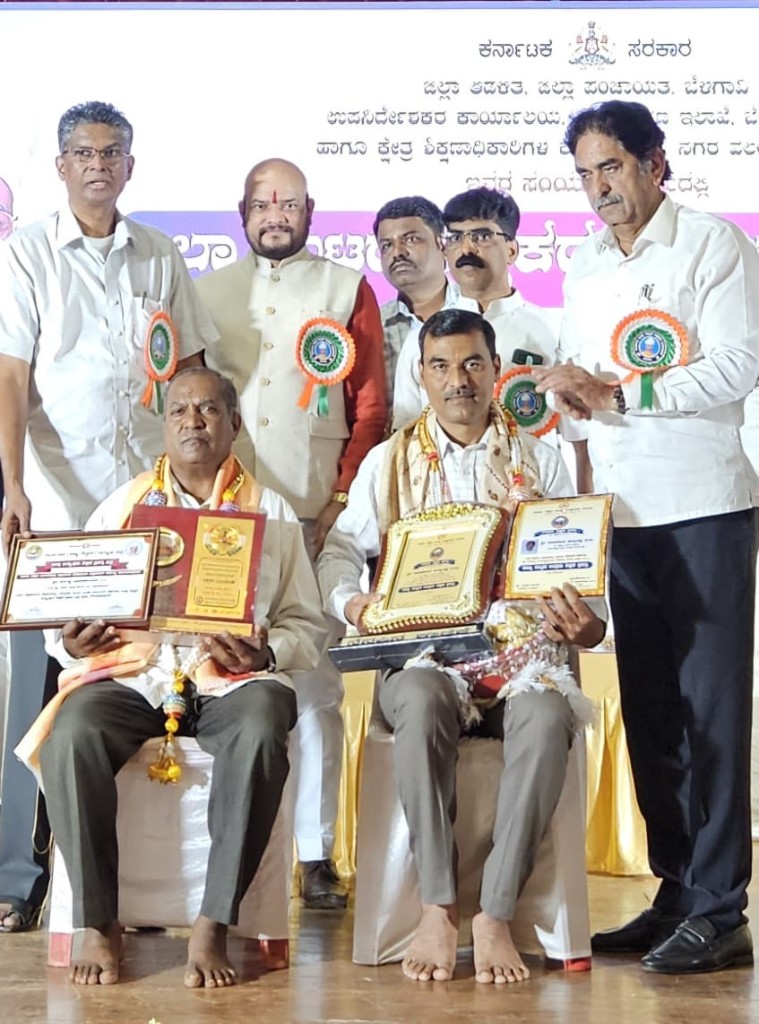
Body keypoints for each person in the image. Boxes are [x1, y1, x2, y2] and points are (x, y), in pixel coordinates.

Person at [534, 100, 759, 974]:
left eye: (612, 169)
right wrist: (563, 410)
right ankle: (674, 889)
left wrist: (621, 394)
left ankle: (721, 907)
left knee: (711, 713)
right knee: (653, 715)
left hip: (702, 507)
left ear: (654, 164)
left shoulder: (712, 244)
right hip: (620, 517)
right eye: (586, 175)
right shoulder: (586, 264)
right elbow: (579, 394)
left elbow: (742, 360)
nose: (599, 191)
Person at [318, 308, 605, 984]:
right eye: (441, 367)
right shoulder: (388, 462)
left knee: (547, 715)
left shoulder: (540, 457)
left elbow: (581, 558)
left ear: (496, 370)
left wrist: (589, 625)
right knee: (416, 699)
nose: (458, 381)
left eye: (473, 363)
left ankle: (495, 913)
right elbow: (337, 550)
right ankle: (438, 905)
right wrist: (353, 602)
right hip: (424, 659)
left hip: (522, 660)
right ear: (420, 376)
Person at [17, 367, 327, 988]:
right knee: (73, 726)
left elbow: (306, 626)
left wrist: (264, 657)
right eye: (180, 411)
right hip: (137, 674)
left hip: (229, 681)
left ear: (235, 424)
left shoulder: (270, 511)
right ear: (163, 425)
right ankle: (97, 921)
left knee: (267, 719)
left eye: (209, 410)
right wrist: (70, 642)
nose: (193, 422)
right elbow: (74, 611)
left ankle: (214, 921)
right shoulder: (124, 506)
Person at [0, 100, 215, 933]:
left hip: (142, 509)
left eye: (113, 152)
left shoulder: (158, 255)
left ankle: (129, 882)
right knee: (37, 689)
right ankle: (21, 878)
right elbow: (10, 378)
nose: (98, 164)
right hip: (53, 507)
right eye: (83, 152)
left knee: (131, 677)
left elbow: (189, 369)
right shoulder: (24, 255)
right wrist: (11, 487)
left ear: (131, 164)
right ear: (60, 166)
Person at [197, 158, 387, 909]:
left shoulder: (346, 288)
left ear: (312, 209)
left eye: (289, 202)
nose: (276, 213)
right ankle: (228, 851)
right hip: (227, 522)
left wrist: (340, 500)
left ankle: (314, 855)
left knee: (314, 687)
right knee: (223, 676)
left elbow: (369, 405)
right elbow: (191, 404)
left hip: (313, 515)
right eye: (262, 203)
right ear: (239, 212)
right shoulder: (206, 294)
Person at [391, 187, 558, 431]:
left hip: (529, 466)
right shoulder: (424, 334)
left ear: (511, 250)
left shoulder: (550, 330)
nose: (466, 249)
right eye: (456, 237)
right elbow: (405, 429)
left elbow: (577, 434)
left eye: (482, 236)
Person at [373, 195, 453, 411]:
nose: (397, 252)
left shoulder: (477, 313)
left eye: (411, 239)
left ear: (441, 244)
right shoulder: (373, 328)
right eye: (387, 245)